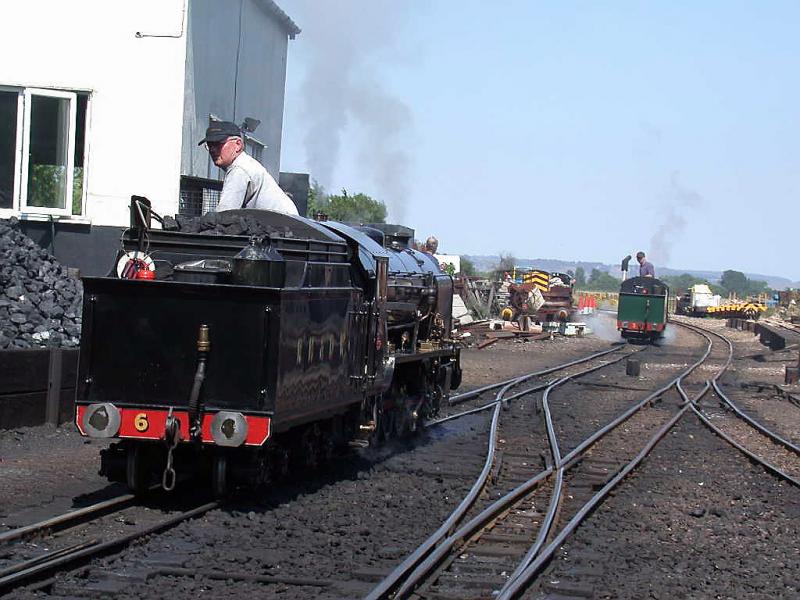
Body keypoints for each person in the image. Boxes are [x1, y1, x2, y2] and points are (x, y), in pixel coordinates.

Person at [199, 121, 298, 215]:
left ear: (238, 144)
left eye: (218, 144)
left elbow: (224, 213)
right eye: (209, 145)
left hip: (283, 226)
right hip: (286, 224)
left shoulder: (239, 170)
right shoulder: (246, 164)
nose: (212, 149)